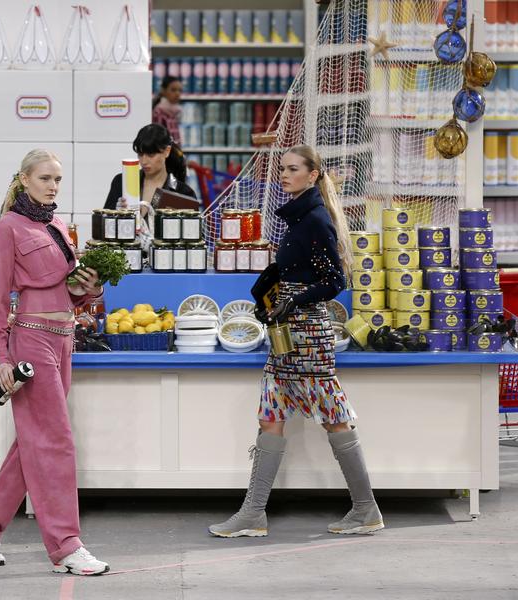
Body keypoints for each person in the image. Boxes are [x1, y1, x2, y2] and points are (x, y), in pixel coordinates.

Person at [208, 145, 385, 538]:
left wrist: (293, 299)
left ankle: (365, 508)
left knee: (333, 418)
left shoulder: (315, 220)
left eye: (292, 169)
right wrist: (271, 292)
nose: (283, 175)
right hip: (287, 332)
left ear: (312, 174)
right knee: (270, 415)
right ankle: (253, 513)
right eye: (282, 169)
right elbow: (301, 270)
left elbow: (334, 281)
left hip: (306, 335)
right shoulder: (299, 218)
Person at [0, 149, 110, 576]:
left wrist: (91, 289)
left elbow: (71, 295)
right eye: (45, 178)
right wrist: (0, 358)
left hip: (65, 342)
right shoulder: (5, 230)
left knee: (35, 443)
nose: (52, 186)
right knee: (55, 442)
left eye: (58, 180)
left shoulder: (58, 226)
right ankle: (66, 546)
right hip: (31, 342)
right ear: (24, 179)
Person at [104, 124, 197, 249]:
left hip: (164, 263)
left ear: (167, 152)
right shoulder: (121, 182)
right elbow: (104, 229)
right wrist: (116, 216)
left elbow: (194, 239)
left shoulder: (183, 192)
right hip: (125, 260)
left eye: (151, 155)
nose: (144, 161)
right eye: (140, 154)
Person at [152, 76, 183, 145]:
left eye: (180, 90)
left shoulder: (174, 112)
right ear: (163, 91)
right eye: (173, 90)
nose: (177, 94)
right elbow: (158, 143)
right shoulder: (159, 113)